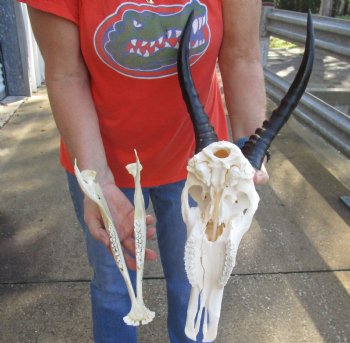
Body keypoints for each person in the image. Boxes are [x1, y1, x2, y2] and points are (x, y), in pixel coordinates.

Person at [21, 0, 269, 341]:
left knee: (196, 278)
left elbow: (241, 55)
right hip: (102, 162)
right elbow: (66, 74)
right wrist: (98, 182)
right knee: (115, 285)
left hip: (199, 167)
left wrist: (247, 152)